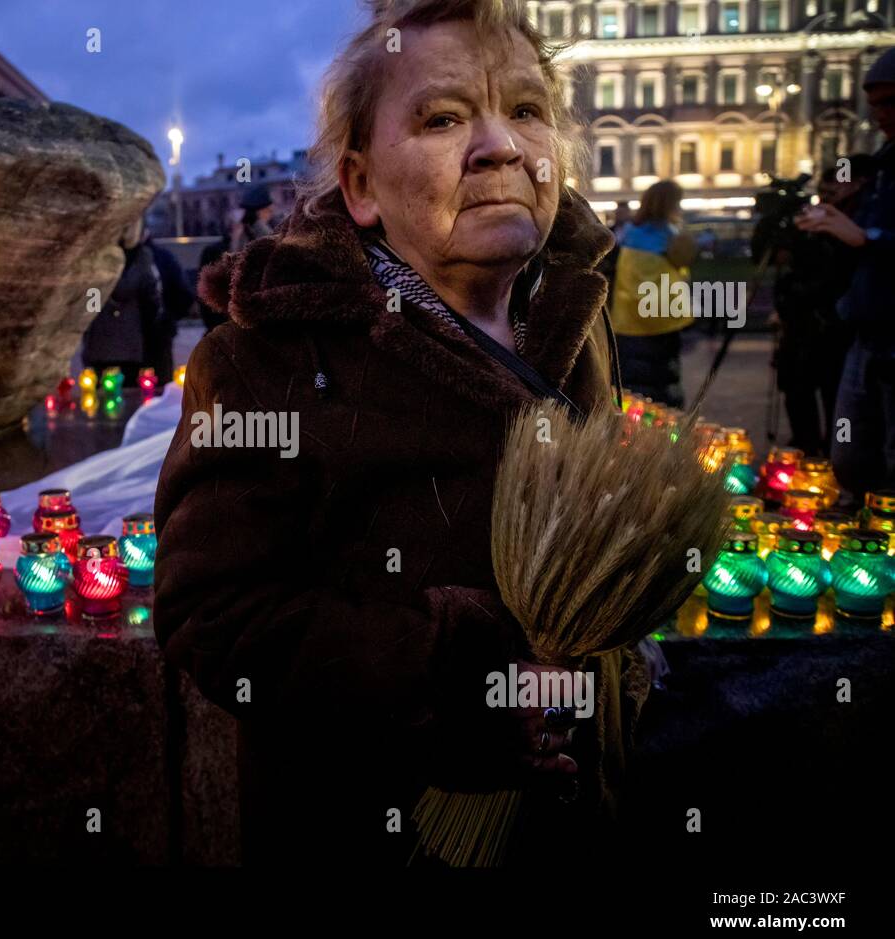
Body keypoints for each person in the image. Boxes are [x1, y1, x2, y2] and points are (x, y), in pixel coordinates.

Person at [155, 0, 650, 867]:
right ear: (360, 186)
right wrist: (464, 672)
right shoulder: (265, 361)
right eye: (444, 118)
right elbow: (217, 617)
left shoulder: (578, 321)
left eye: (527, 111)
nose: (501, 146)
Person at [797, 48, 895, 496]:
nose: (877, 116)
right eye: (873, 104)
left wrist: (866, 237)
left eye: (888, 103)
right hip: (865, 330)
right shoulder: (883, 166)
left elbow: (871, 238)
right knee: (851, 453)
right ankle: (861, 516)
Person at [766, 157, 873, 457]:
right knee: (797, 389)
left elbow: (839, 275)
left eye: (833, 194)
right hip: (799, 325)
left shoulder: (857, 226)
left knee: (834, 393)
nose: (826, 202)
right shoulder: (809, 230)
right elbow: (786, 268)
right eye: (822, 194)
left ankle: (835, 452)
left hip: (834, 328)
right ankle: (806, 444)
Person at [609, 180, 697, 408]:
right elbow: (681, 270)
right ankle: (667, 436)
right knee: (664, 389)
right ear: (669, 205)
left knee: (634, 391)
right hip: (663, 326)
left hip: (628, 324)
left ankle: (635, 436)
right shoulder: (670, 236)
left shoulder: (628, 234)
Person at [81, 217, 162, 388]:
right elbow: (151, 300)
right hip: (132, 344)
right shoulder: (141, 257)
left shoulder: (95, 259)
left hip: (99, 345)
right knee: (132, 398)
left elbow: (90, 308)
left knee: (101, 400)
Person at [143, 229, 193, 384]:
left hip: (153, 336)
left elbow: (183, 295)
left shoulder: (159, 259)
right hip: (157, 335)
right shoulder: (162, 258)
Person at [229, 184, 274, 252]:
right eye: (269, 211)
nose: (271, 214)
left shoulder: (244, 228)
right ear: (260, 212)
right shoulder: (261, 231)